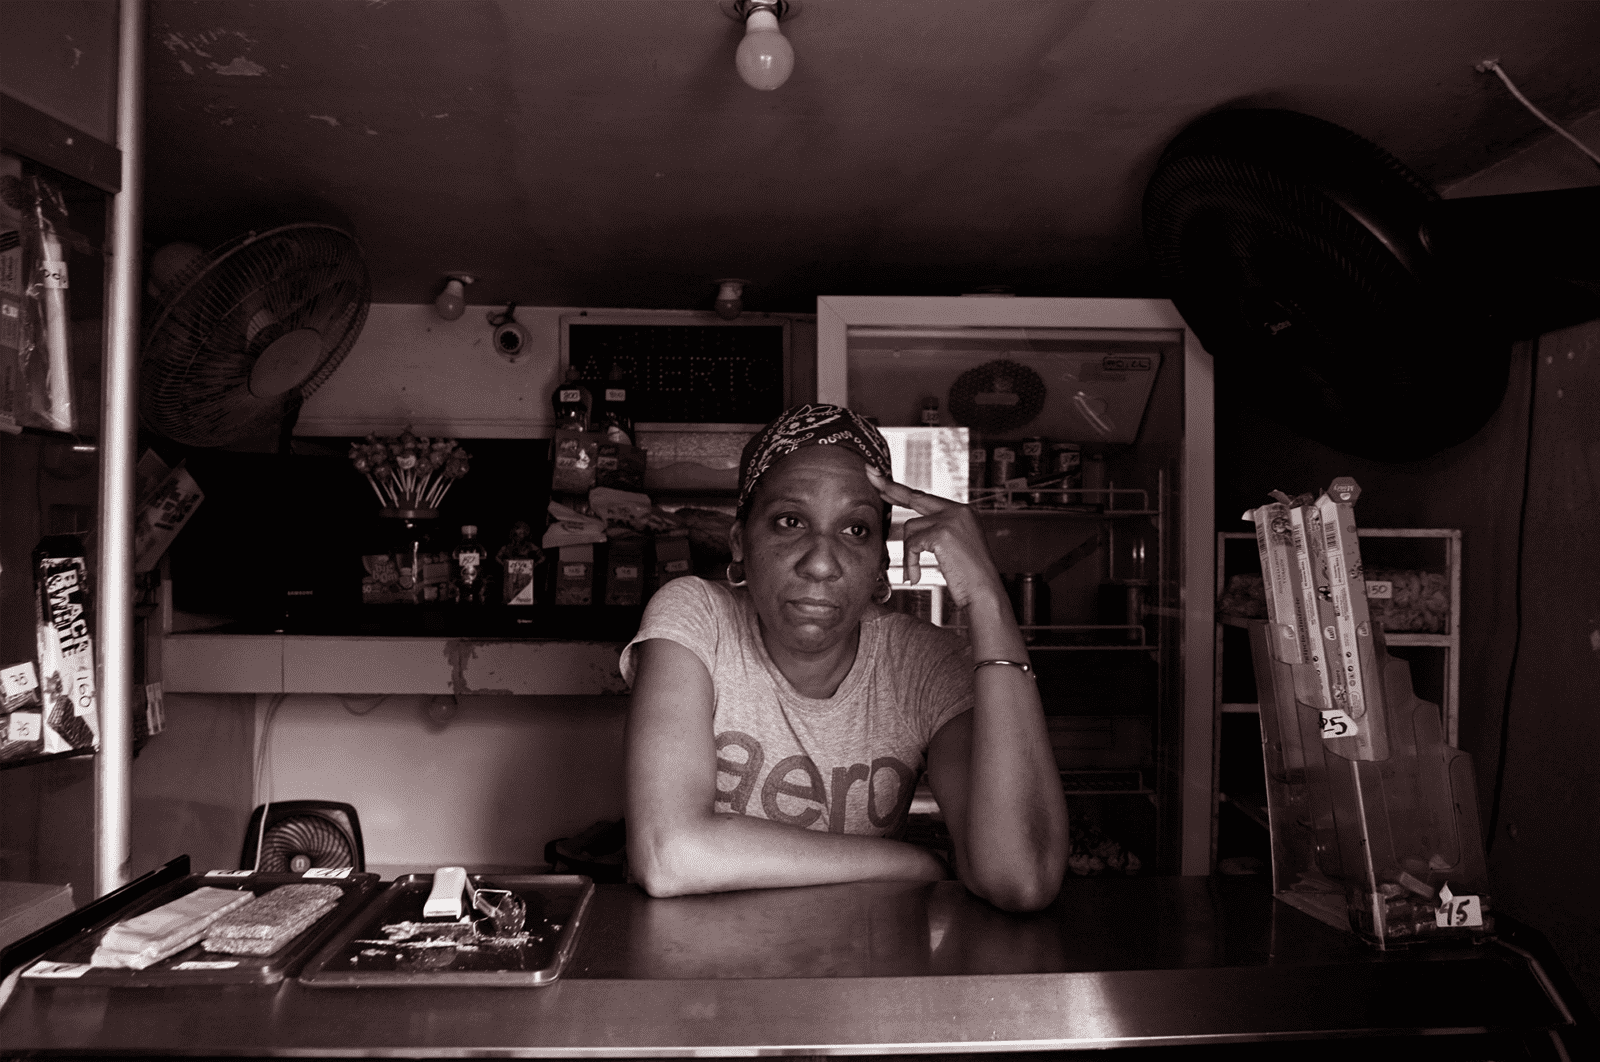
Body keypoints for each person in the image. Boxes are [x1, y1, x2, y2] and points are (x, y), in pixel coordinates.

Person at [622, 404, 1067, 912]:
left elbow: (1022, 878)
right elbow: (667, 854)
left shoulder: (922, 663)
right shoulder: (696, 617)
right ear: (740, 541)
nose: (820, 563)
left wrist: (987, 597)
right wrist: (909, 863)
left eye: (855, 530)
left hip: (861, 978)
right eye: (790, 521)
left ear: (882, 562)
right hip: (699, 980)